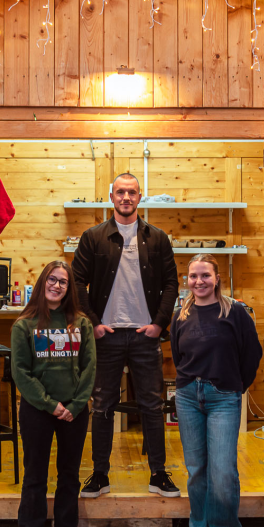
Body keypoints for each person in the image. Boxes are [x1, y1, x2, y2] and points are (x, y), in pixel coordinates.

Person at [72, 173, 181, 498]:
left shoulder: (157, 238)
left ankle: (158, 474)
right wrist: (92, 321)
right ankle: (100, 475)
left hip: (145, 335)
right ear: (111, 196)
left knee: (151, 405)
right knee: (103, 404)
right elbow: (77, 281)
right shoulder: (93, 237)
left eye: (131, 192)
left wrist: (160, 323)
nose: (126, 197)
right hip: (106, 336)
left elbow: (172, 284)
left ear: (139, 196)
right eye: (120, 192)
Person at [169, 254, 263, 527]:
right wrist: (187, 384)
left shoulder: (235, 312)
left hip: (224, 397)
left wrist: (236, 385)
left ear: (217, 278)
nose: (199, 281)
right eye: (194, 276)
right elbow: (177, 354)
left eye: (205, 275)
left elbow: (253, 354)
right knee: (196, 469)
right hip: (187, 397)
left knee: (222, 469)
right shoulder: (180, 315)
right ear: (188, 279)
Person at [9, 260, 96, 527]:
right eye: (52, 280)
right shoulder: (24, 325)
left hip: (74, 411)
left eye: (63, 282)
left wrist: (75, 405)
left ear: (69, 288)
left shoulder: (81, 324)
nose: (57, 286)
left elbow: (89, 369)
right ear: (42, 282)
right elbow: (21, 372)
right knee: (35, 475)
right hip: (37, 410)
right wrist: (49, 403)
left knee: (69, 475)